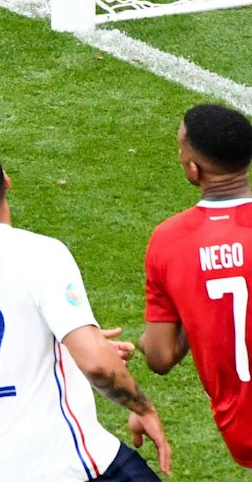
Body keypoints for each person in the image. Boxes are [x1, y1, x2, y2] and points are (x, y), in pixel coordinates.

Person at [0, 136, 169, 481]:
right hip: (71, 461)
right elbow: (95, 363)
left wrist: (75, 346)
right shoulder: (40, 254)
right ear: (6, 180)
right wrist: (143, 408)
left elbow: (1, 351)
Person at [143, 103, 252, 467]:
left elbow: (159, 356)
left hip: (241, 431)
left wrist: (192, 300)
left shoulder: (168, 241)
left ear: (194, 168)